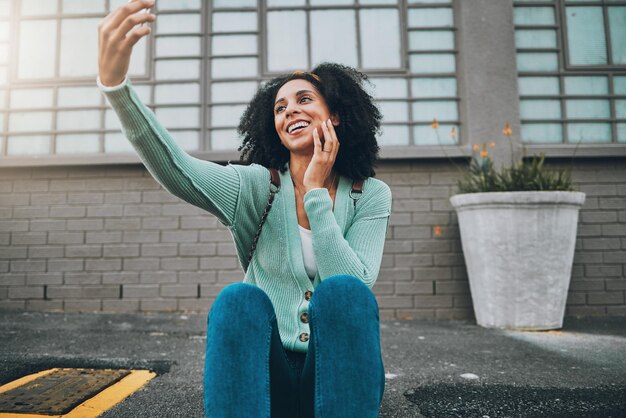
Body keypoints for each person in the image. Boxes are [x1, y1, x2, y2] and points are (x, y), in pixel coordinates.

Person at [98, 1, 391, 417]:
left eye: (304, 98)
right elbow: (175, 166)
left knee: (344, 293)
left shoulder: (370, 194)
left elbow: (358, 284)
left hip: (335, 378)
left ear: (337, 116)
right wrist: (117, 86)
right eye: (280, 107)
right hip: (264, 381)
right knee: (239, 299)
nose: (290, 109)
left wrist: (314, 197)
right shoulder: (256, 186)